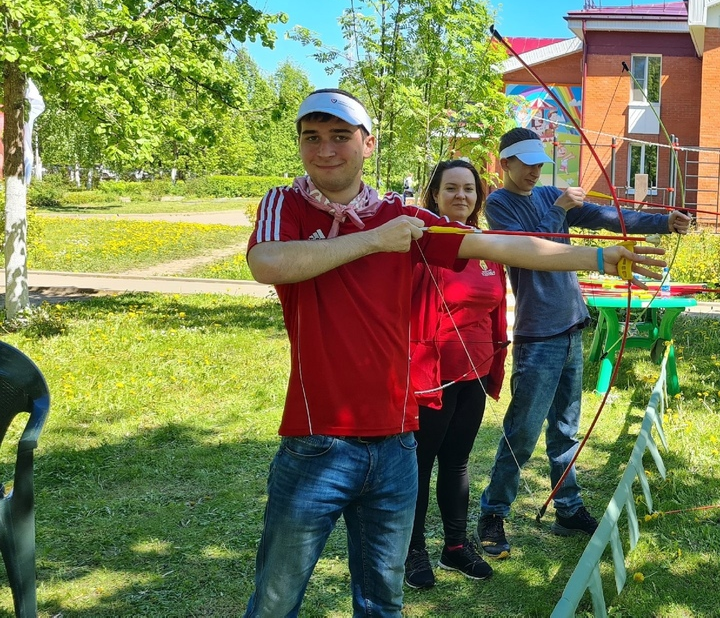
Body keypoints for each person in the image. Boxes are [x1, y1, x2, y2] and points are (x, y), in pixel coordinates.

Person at [242, 90, 665, 617]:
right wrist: (374, 240)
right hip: (316, 442)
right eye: (312, 137)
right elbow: (267, 262)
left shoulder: (401, 215)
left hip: (397, 440)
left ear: (368, 144)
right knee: (276, 599)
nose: (325, 149)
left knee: (383, 601)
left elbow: (499, 245)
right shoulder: (287, 203)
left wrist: (597, 256)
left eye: (340, 136)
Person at [475, 127, 692, 559]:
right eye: (526, 163)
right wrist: (559, 208)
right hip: (538, 335)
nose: (535, 171)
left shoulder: (547, 194)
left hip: (570, 324)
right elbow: (532, 248)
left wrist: (663, 222)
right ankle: (493, 513)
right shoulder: (499, 205)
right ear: (505, 163)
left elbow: (607, 217)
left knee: (566, 430)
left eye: (539, 163)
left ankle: (568, 508)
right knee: (523, 432)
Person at [403, 159, 505, 589]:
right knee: (420, 463)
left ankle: (456, 547)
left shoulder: (487, 246)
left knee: (458, 460)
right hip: (432, 374)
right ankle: (411, 552)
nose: (461, 195)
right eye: (451, 188)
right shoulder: (423, 241)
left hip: (474, 370)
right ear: (435, 194)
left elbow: (496, 308)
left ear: (478, 196)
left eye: (469, 188)